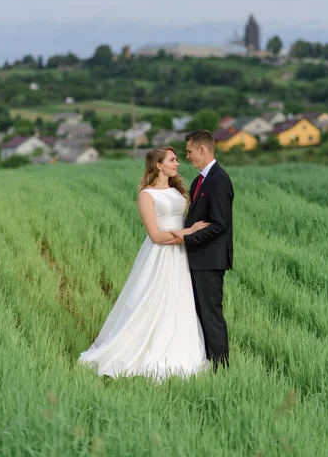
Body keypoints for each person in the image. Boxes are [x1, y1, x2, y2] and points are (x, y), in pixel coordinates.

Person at [79, 146, 210, 380]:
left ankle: (180, 347)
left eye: (177, 159)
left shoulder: (179, 192)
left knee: (179, 301)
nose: (177, 163)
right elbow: (156, 236)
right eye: (172, 159)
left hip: (180, 255)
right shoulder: (146, 195)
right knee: (147, 300)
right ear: (158, 165)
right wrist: (189, 232)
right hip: (159, 255)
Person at [164, 130, 234, 371]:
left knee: (211, 314)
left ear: (202, 150)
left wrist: (188, 237)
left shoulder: (219, 180)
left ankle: (220, 367)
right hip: (197, 259)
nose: (188, 157)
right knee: (199, 314)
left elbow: (220, 225)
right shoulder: (199, 181)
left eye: (190, 152)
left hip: (209, 260)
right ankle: (204, 360)